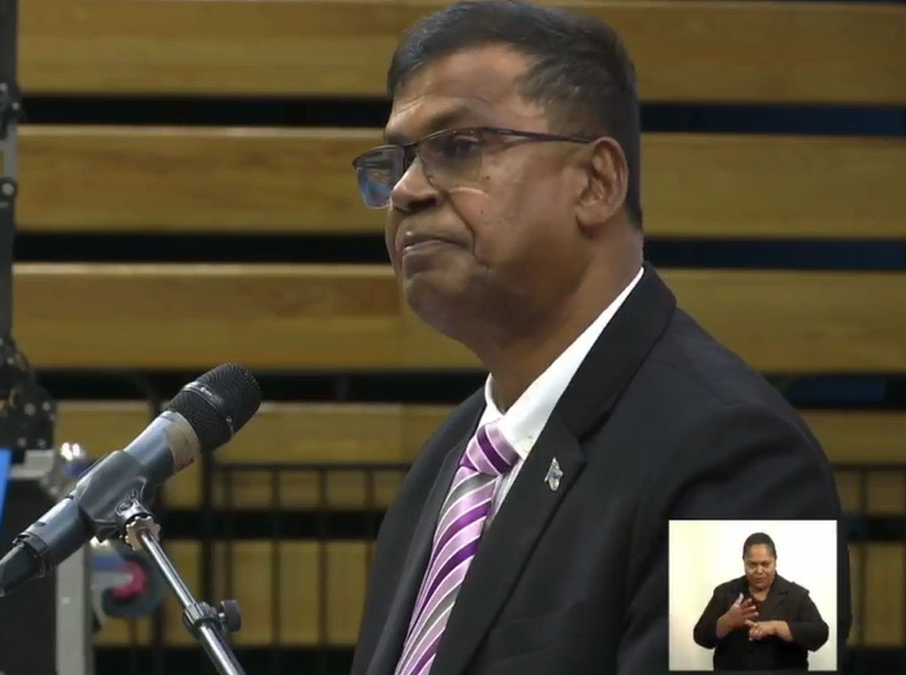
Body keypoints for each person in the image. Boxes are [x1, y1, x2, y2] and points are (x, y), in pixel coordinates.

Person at [345, 2, 851, 674]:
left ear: (597, 182)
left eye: (458, 147)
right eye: (398, 160)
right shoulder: (450, 463)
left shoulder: (744, 459)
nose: (406, 191)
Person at [692, 533, 829, 671]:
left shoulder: (796, 595)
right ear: (744, 562)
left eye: (765, 564)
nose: (759, 571)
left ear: (775, 561)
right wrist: (726, 622)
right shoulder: (725, 592)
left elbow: (821, 633)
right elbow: (700, 636)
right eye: (752, 564)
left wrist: (777, 627)